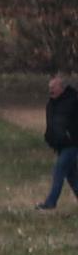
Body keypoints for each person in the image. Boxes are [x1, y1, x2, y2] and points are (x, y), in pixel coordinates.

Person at [47, 73, 78, 209]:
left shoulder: (74, 100)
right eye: (49, 87)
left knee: (59, 170)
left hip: (72, 144)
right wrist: (49, 137)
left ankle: (50, 203)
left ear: (62, 88)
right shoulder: (52, 103)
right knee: (71, 176)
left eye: (53, 87)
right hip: (60, 145)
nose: (50, 90)